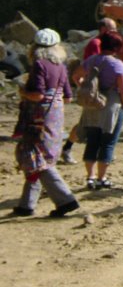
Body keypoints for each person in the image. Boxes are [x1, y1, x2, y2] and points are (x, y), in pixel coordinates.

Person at [12, 28, 80, 217]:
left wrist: (24, 93)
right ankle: (26, 205)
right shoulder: (61, 66)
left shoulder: (39, 65)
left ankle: (66, 200)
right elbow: (67, 97)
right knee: (40, 157)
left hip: (39, 117)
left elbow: (38, 94)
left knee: (36, 158)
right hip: (56, 116)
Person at [73, 31, 123, 189]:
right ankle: (101, 178)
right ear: (117, 47)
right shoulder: (117, 65)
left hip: (92, 104)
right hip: (111, 105)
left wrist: (87, 89)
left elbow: (76, 76)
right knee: (108, 143)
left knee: (92, 141)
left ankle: (90, 178)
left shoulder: (91, 60)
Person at [61, 17, 118, 165]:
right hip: (96, 92)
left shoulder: (106, 44)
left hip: (102, 92)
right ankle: (67, 149)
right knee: (85, 124)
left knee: (102, 124)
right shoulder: (96, 44)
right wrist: (85, 88)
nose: (115, 32)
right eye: (112, 29)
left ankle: (104, 153)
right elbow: (90, 67)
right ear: (103, 29)